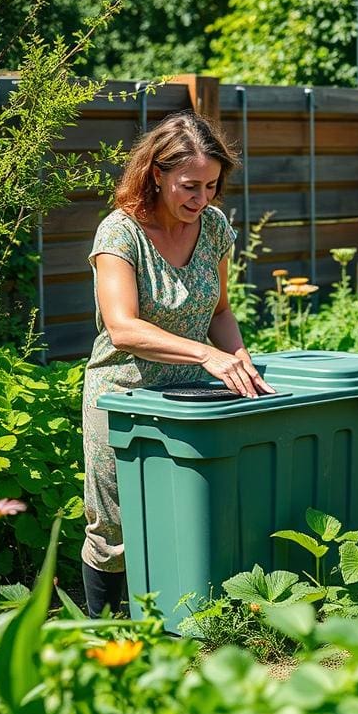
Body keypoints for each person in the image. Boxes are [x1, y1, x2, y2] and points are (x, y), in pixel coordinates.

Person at [81, 110, 275, 617]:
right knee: (115, 527)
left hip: (195, 398)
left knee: (189, 513)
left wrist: (240, 364)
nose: (202, 199)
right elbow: (122, 328)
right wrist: (207, 354)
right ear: (156, 174)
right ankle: (106, 631)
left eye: (212, 186)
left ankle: (181, 620)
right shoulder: (119, 234)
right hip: (123, 396)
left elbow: (221, 311)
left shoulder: (212, 228)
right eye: (190, 186)